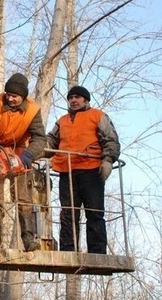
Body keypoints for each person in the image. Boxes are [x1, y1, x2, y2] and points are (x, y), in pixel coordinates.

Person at [46, 86, 120, 254]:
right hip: (67, 171)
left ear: (85, 100)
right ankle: (68, 250)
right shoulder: (62, 121)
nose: (73, 100)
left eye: (77, 97)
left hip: (91, 170)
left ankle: (97, 251)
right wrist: (38, 151)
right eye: (71, 97)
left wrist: (108, 160)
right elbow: (51, 141)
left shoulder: (97, 116)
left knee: (94, 212)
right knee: (68, 213)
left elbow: (111, 140)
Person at [0, 73, 47, 251]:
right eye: (8, 94)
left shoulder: (33, 110)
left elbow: (40, 138)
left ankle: (28, 239)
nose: (10, 98)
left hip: (19, 153)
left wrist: (28, 156)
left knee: (24, 197)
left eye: (14, 96)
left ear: (23, 96)